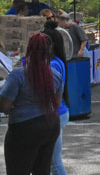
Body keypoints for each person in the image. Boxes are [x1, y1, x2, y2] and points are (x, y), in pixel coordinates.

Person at [0, 33, 62, 175]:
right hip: (50, 125)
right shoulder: (56, 75)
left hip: (23, 128)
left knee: (18, 170)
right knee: (42, 170)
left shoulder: (18, 75)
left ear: (29, 50)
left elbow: (4, 106)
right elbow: (56, 104)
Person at [42, 21, 70, 175]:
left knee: (54, 161)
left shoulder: (52, 65)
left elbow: (50, 95)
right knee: (51, 160)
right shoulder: (56, 61)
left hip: (56, 113)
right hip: (58, 112)